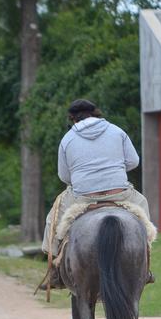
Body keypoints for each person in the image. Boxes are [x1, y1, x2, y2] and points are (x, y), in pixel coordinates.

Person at [41, 98, 154, 289]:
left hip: (84, 197)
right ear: (96, 113)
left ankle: (53, 271)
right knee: (142, 203)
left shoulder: (67, 139)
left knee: (53, 216)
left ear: (72, 118)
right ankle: (145, 261)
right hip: (119, 193)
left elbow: (64, 175)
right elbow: (133, 161)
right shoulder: (117, 131)